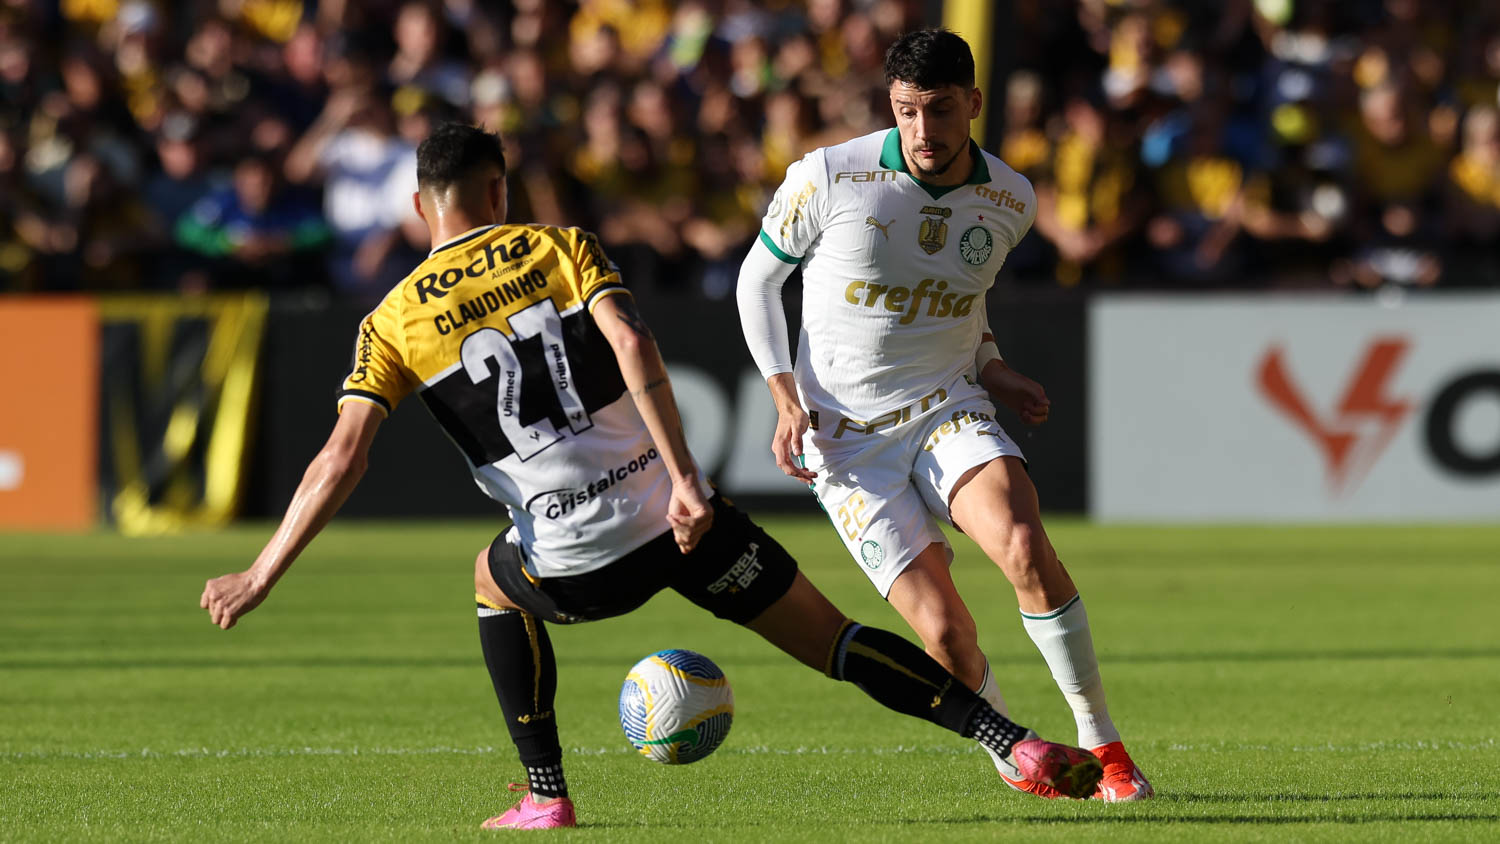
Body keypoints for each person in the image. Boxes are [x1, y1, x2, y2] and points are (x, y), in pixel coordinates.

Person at [199, 122, 1104, 831]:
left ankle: (546, 793)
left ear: (418, 204)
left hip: (572, 560)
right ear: (498, 191)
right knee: (834, 640)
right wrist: (684, 480)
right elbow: (632, 342)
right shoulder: (558, 246)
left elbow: (341, 457)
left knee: (489, 580)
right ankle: (1010, 741)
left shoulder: (392, 320)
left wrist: (261, 570)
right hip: (680, 519)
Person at [736, 29, 1154, 802]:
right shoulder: (829, 176)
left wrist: (990, 367)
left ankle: (1108, 749)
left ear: (975, 103)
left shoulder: (1010, 199)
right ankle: (1019, 757)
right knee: (944, 634)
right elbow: (757, 282)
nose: (923, 132)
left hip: (944, 409)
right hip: (848, 446)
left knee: (1025, 543)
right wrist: (784, 394)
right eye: (906, 112)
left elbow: (965, 300)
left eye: (939, 111)